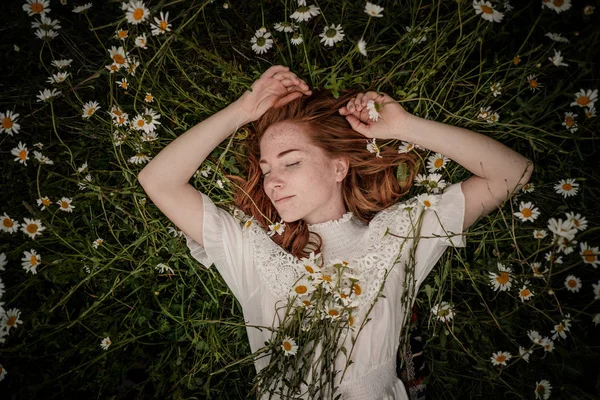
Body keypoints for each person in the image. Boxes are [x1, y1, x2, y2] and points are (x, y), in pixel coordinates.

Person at [138, 65, 533, 399]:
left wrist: (405, 126)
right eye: (267, 169)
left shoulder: (399, 234)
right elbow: (158, 181)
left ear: (339, 167)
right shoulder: (252, 251)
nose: (273, 182)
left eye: (290, 163)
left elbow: (512, 173)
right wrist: (243, 109)